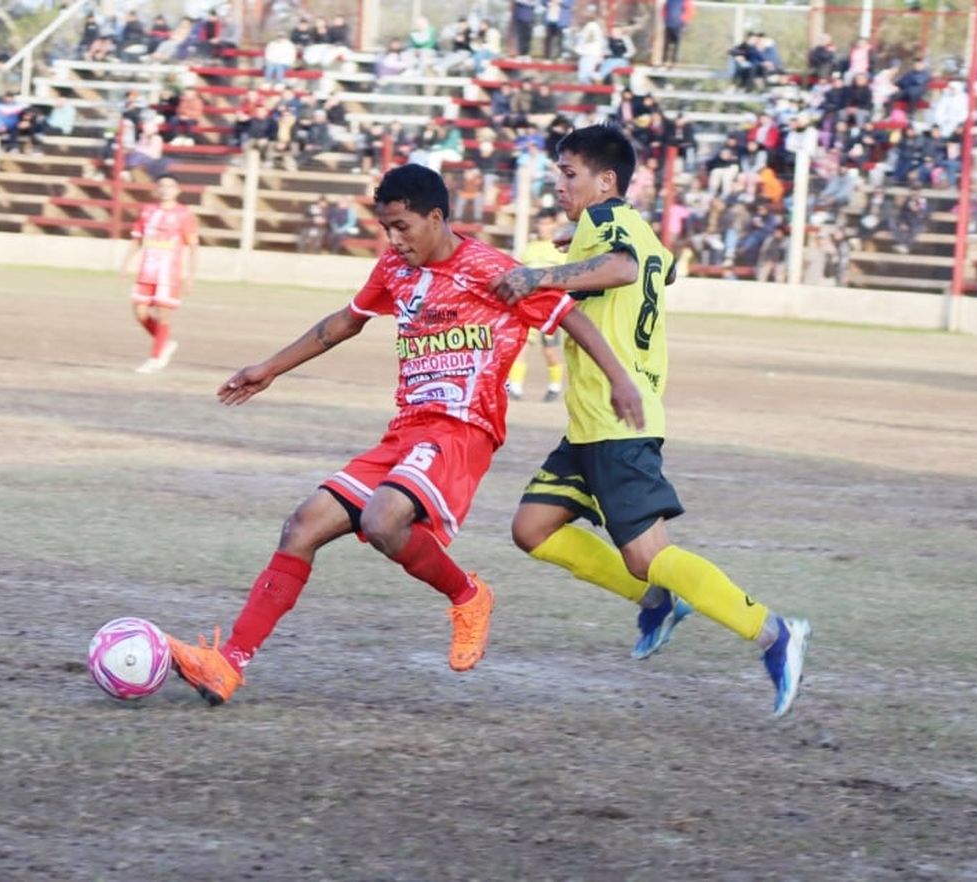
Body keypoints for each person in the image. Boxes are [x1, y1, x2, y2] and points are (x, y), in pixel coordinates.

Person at [162, 164, 643, 705]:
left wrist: (620, 381)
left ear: (436, 218)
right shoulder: (395, 268)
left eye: (403, 227)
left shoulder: (492, 270)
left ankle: (469, 596)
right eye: (386, 228)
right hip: (407, 432)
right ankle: (228, 665)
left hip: (463, 430)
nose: (394, 240)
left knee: (384, 518)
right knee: (301, 526)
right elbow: (346, 321)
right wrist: (269, 368)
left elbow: (569, 318)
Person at [489, 125, 812, 717]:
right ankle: (658, 600)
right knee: (532, 528)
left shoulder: (609, 223)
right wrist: (574, 246)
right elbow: (660, 268)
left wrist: (541, 273)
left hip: (620, 421)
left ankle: (773, 632)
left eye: (569, 174)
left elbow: (623, 269)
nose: (558, 184)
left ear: (604, 180)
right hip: (592, 423)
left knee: (646, 551)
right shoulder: (630, 225)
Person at [121, 174, 198, 374]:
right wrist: (126, 263)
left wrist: (190, 275)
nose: (165, 190)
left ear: (177, 191)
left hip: (169, 273)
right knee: (140, 313)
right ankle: (165, 343)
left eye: (170, 186)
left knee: (164, 316)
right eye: (162, 186)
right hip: (147, 270)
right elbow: (137, 240)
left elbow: (193, 246)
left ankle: (155, 358)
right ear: (156, 190)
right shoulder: (147, 211)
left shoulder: (184, 214)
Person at [507, 210, 570, 402]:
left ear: (554, 225)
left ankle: (554, 386)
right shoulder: (530, 248)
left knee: (550, 351)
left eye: (547, 223)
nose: (543, 227)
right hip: (528, 306)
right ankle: (515, 388)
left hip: (550, 308)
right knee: (521, 347)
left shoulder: (561, 249)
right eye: (541, 224)